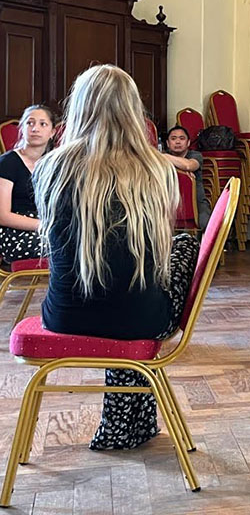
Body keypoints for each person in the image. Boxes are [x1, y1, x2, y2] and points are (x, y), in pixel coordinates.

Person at [34, 64, 200, 450]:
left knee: (117, 284)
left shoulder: (50, 167)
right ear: (132, 112)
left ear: (79, 109)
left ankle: (126, 427)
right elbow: (156, 254)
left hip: (64, 314)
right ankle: (127, 426)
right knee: (181, 246)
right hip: (140, 318)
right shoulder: (157, 169)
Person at [0, 105, 57, 263]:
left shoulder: (55, 164)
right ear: (22, 128)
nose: (35, 129)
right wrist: (45, 226)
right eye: (30, 123)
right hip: (15, 232)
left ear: (52, 132)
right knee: (68, 246)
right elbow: (2, 216)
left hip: (48, 227)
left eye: (42, 124)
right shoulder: (7, 163)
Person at [162, 125, 211, 229]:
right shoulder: (161, 160)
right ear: (167, 143)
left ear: (188, 142)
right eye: (173, 139)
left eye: (182, 138)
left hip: (197, 203)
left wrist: (164, 157)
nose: (178, 142)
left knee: (207, 226)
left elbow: (189, 165)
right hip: (170, 204)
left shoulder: (195, 155)